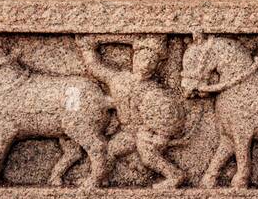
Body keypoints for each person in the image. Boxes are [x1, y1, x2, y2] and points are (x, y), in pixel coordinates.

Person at [77, 35, 186, 188]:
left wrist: (158, 134)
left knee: (148, 156)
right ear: (135, 57)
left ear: (157, 66)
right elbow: (96, 68)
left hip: (147, 133)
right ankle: (98, 178)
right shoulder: (119, 79)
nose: (147, 64)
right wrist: (87, 49)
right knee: (110, 150)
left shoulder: (154, 90)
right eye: (143, 58)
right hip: (128, 131)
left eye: (152, 61)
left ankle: (174, 175)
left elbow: (165, 115)